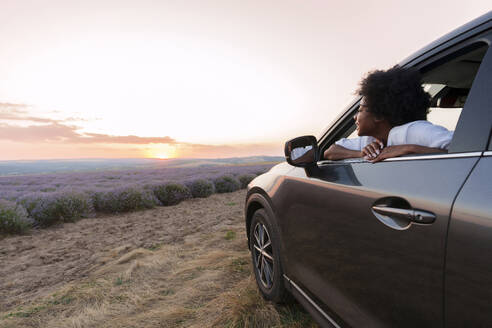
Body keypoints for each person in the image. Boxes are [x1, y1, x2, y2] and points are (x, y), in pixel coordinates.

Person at [324, 66, 453, 162]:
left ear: (379, 115)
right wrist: (361, 154)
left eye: (360, 110)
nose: (355, 117)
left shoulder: (415, 130)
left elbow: (465, 149)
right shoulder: (372, 141)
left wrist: (409, 149)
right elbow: (330, 151)